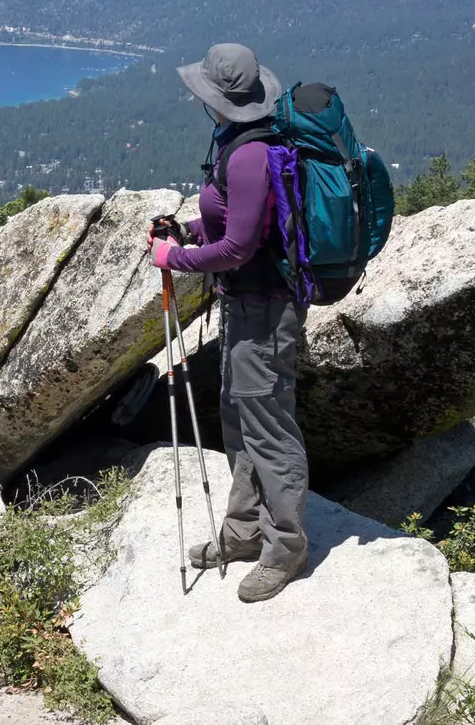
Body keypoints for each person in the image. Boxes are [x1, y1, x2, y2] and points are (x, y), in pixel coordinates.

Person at [149, 42, 308, 603]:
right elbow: (236, 219)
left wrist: (176, 259)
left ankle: (285, 547)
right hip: (247, 303)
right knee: (239, 416)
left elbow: (239, 246)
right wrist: (190, 229)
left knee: (268, 425)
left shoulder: (248, 155)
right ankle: (243, 532)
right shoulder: (243, 142)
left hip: (264, 308)